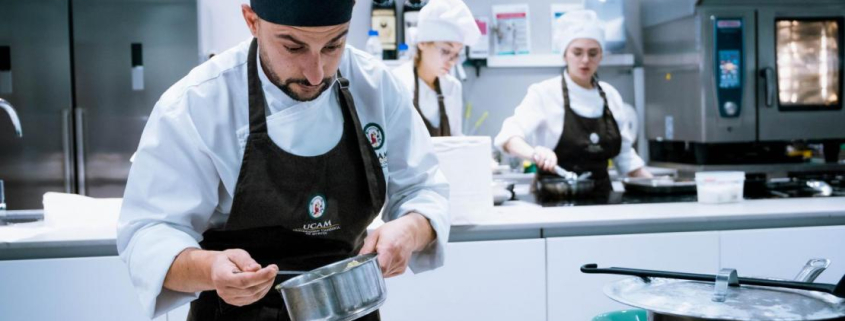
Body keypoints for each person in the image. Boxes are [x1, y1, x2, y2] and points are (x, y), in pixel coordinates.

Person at [116, 1, 450, 320]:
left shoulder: (376, 86)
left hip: (351, 311)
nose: (317, 74)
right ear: (252, 22)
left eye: (334, 46)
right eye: (294, 48)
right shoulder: (197, 103)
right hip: (232, 314)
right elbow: (150, 233)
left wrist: (410, 230)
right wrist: (208, 269)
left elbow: (424, 190)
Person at [494, 9, 651, 195]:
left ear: (601, 55)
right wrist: (535, 153)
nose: (585, 60)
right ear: (564, 54)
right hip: (553, 198)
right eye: (577, 52)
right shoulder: (544, 93)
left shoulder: (610, 96)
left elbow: (625, 158)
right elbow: (509, 137)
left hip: (602, 199)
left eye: (593, 53)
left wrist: (657, 186)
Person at [391, 0, 480, 137]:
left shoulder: (452, 87)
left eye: (457, 54)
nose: (452, 62)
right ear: (422, 43)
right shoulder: (398, 82)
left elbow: (455, 138)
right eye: (445, 51)